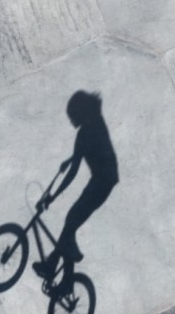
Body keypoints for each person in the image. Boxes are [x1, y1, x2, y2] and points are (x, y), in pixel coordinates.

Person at [32, 90, 118, 285]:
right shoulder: (94, 122)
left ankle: (54, 265)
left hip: (103, 181)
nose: (71, 122)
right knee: (70, 225)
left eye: (73, 117)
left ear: (81, 113)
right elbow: (88, 150)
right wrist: (72, 158)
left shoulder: (87, 131)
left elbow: (73, 173)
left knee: (71, 220)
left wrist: (52, 197)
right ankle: (65, 280)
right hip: (102, 179)